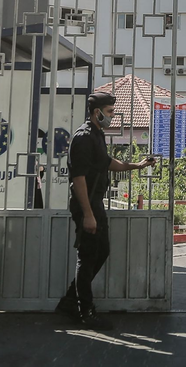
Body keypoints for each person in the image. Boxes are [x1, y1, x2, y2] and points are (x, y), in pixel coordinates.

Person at [55, 92, 155, 330]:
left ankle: (70, 301)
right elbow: (78, 178)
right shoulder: (83, 137)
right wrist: (88, 214)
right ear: (96, 112)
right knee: (87, 257)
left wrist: (137, 165)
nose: (112, 117)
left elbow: (108, 163)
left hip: (95, 203)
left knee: (101, 252)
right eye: (109, 112)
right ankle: (84, 311)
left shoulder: (97, 136)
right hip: (86, 204)